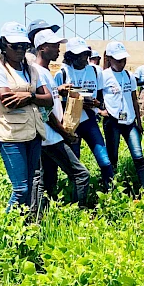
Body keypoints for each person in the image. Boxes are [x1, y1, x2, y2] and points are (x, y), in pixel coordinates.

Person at [0, 22, 53, 213]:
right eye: (15, 46)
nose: (20, 50)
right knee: (21, 188)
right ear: (3, 45)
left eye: (23, 46)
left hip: (33, 134)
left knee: (30, 185)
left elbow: (48, 99)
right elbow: (8, 101)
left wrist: (29, 96)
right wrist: (33, 97)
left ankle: (21, 229)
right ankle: (6, 229)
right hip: (11, 135)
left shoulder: (31, 70)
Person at [30, 29, 90, 212]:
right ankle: (78, 213)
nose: (58, 49)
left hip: (48, 135)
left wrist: (58, 89)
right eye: (54, 45)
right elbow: (45, 111)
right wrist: (64, 132)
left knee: (44, 179)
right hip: (51, 136)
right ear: (41, 48)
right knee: (81, 174)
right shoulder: (38, 72)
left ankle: (37, 216)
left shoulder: (45, 72)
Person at [54, 37, 115, 189]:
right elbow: (56, 102)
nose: (83, 58)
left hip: (89, 121)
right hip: (70, 124)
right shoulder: (62, 73)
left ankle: (110, 191)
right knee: (76, 164)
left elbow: (100, 96)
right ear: (70, 56)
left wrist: (96, 105)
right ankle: (77, 197)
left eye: (85, 54)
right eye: (78, 55)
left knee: (104, 160)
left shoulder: (94, 71)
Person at [100, 41, 144, 189]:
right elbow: (95, 98)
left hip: (129, 122)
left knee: (138, 156)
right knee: (112, 157)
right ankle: (111, 189)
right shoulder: (103, 76)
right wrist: (101, 111)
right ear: (109, 58)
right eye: (118, 60)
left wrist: (139, 123)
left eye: (124, 60)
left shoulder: (129, 75)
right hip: (112, 122)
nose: (122, 63)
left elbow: (134, 99)